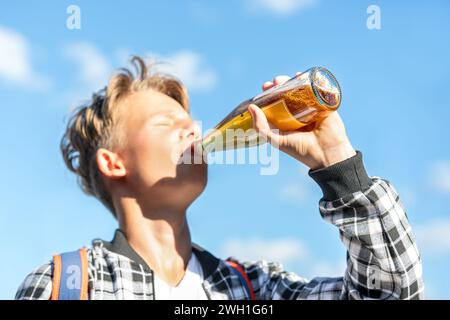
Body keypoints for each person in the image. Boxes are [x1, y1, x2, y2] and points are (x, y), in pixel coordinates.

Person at [15, 56, 424, 300]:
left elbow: (390, 291)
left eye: (192, 122)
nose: (193, 130)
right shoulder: (65, 285)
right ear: (114, 163)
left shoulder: (252, 288)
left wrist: (336, 162)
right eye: (165, 123)